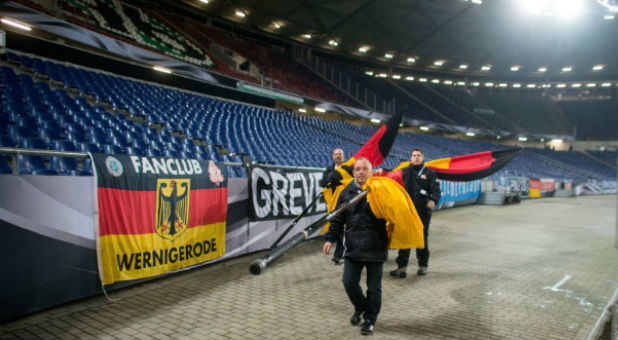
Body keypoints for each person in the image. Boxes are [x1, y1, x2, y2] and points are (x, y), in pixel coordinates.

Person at [323, 157, 387, 335]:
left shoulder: (380, 190)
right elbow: (337, 218)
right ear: (353, 172)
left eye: (364, 169)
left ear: (371, 171)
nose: (360, 172)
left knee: (374, 288)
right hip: (353, 246)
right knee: (349, 282)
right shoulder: (346, 193)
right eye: (357, 169)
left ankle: (370, 320)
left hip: (376, 246)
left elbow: (394, 213)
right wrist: (330, 239)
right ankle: (360, 307)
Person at [390, 148, 441, 277]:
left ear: (423, 157)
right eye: (414, 155)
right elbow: (391, 176)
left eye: (418, 155)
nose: (416, 157)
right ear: (411, 158)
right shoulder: (406, 171)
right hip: (406, 210)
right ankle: (401, 267)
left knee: (421, 237)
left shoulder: (430, 173)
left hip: (423, 211)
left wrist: (433, 201)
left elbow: (436, 191)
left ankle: (423, 266)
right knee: (405, 238)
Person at [320, 148, 345, 264]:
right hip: (333, 204)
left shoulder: (348, 169)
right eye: (336, 154)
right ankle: (339, 254)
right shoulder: (329, 170)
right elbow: (323, 183)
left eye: (340, 154)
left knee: (343, 230)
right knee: (338, 228)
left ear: (343, 156)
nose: (338, 156)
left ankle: (338, 255)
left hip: (346, 203)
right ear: (333, 157)